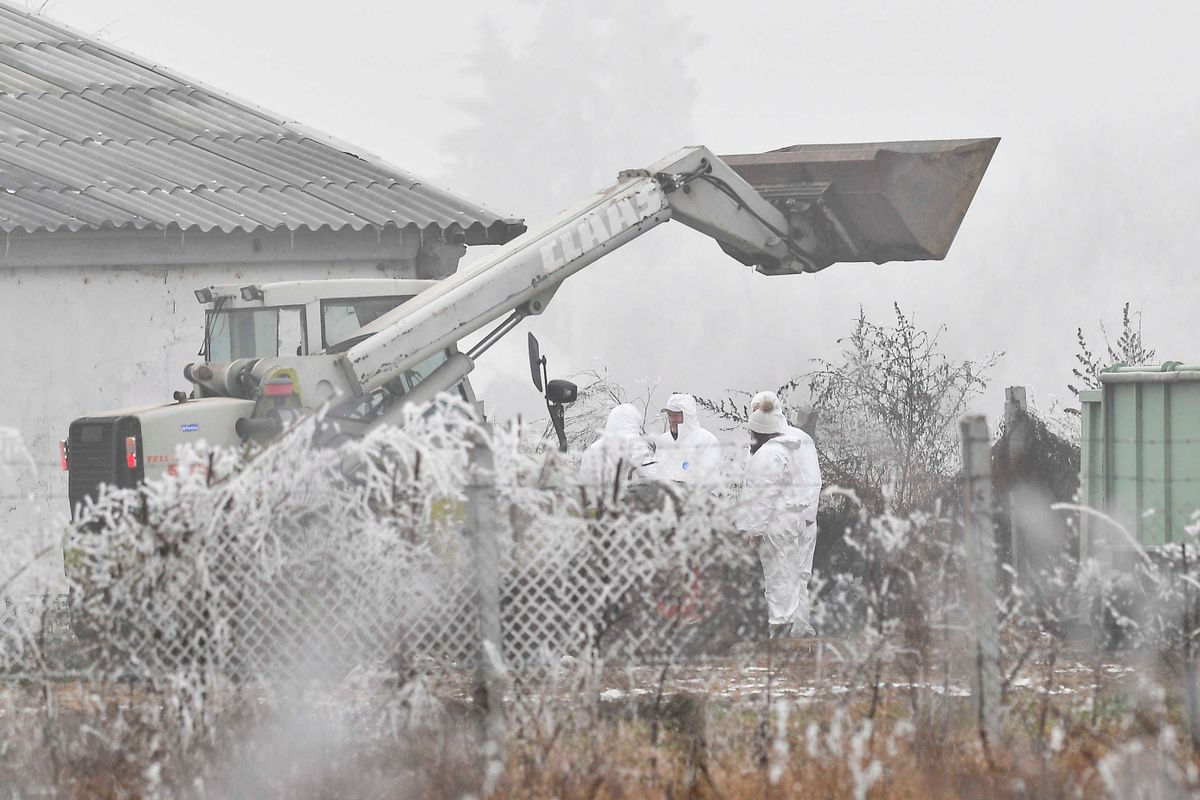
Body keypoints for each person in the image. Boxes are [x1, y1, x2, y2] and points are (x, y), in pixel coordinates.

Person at [737, 391, 822, 638]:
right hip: (800, 518)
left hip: (781, 520)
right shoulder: (793, 441)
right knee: (797, 577)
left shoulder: (771, 449)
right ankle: (800, 630)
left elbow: (762, 494)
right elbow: (811, 480)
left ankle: (783, 630)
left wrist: (752, 529)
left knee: (780, 577)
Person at [580, 403, 654, 499]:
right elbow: (650, 477)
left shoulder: (591, 450)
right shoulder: (634, 444)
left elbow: (584, 480)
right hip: (623, 506)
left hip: (594, 505)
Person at [650, 393, 722, 485]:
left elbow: (711, 483)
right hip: (662, 497)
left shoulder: (706, 440)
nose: (671, 419)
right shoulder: (663, 441)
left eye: (676, 415)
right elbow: (655, 474)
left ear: (688, 416)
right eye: (669, 414)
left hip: (694, 498)